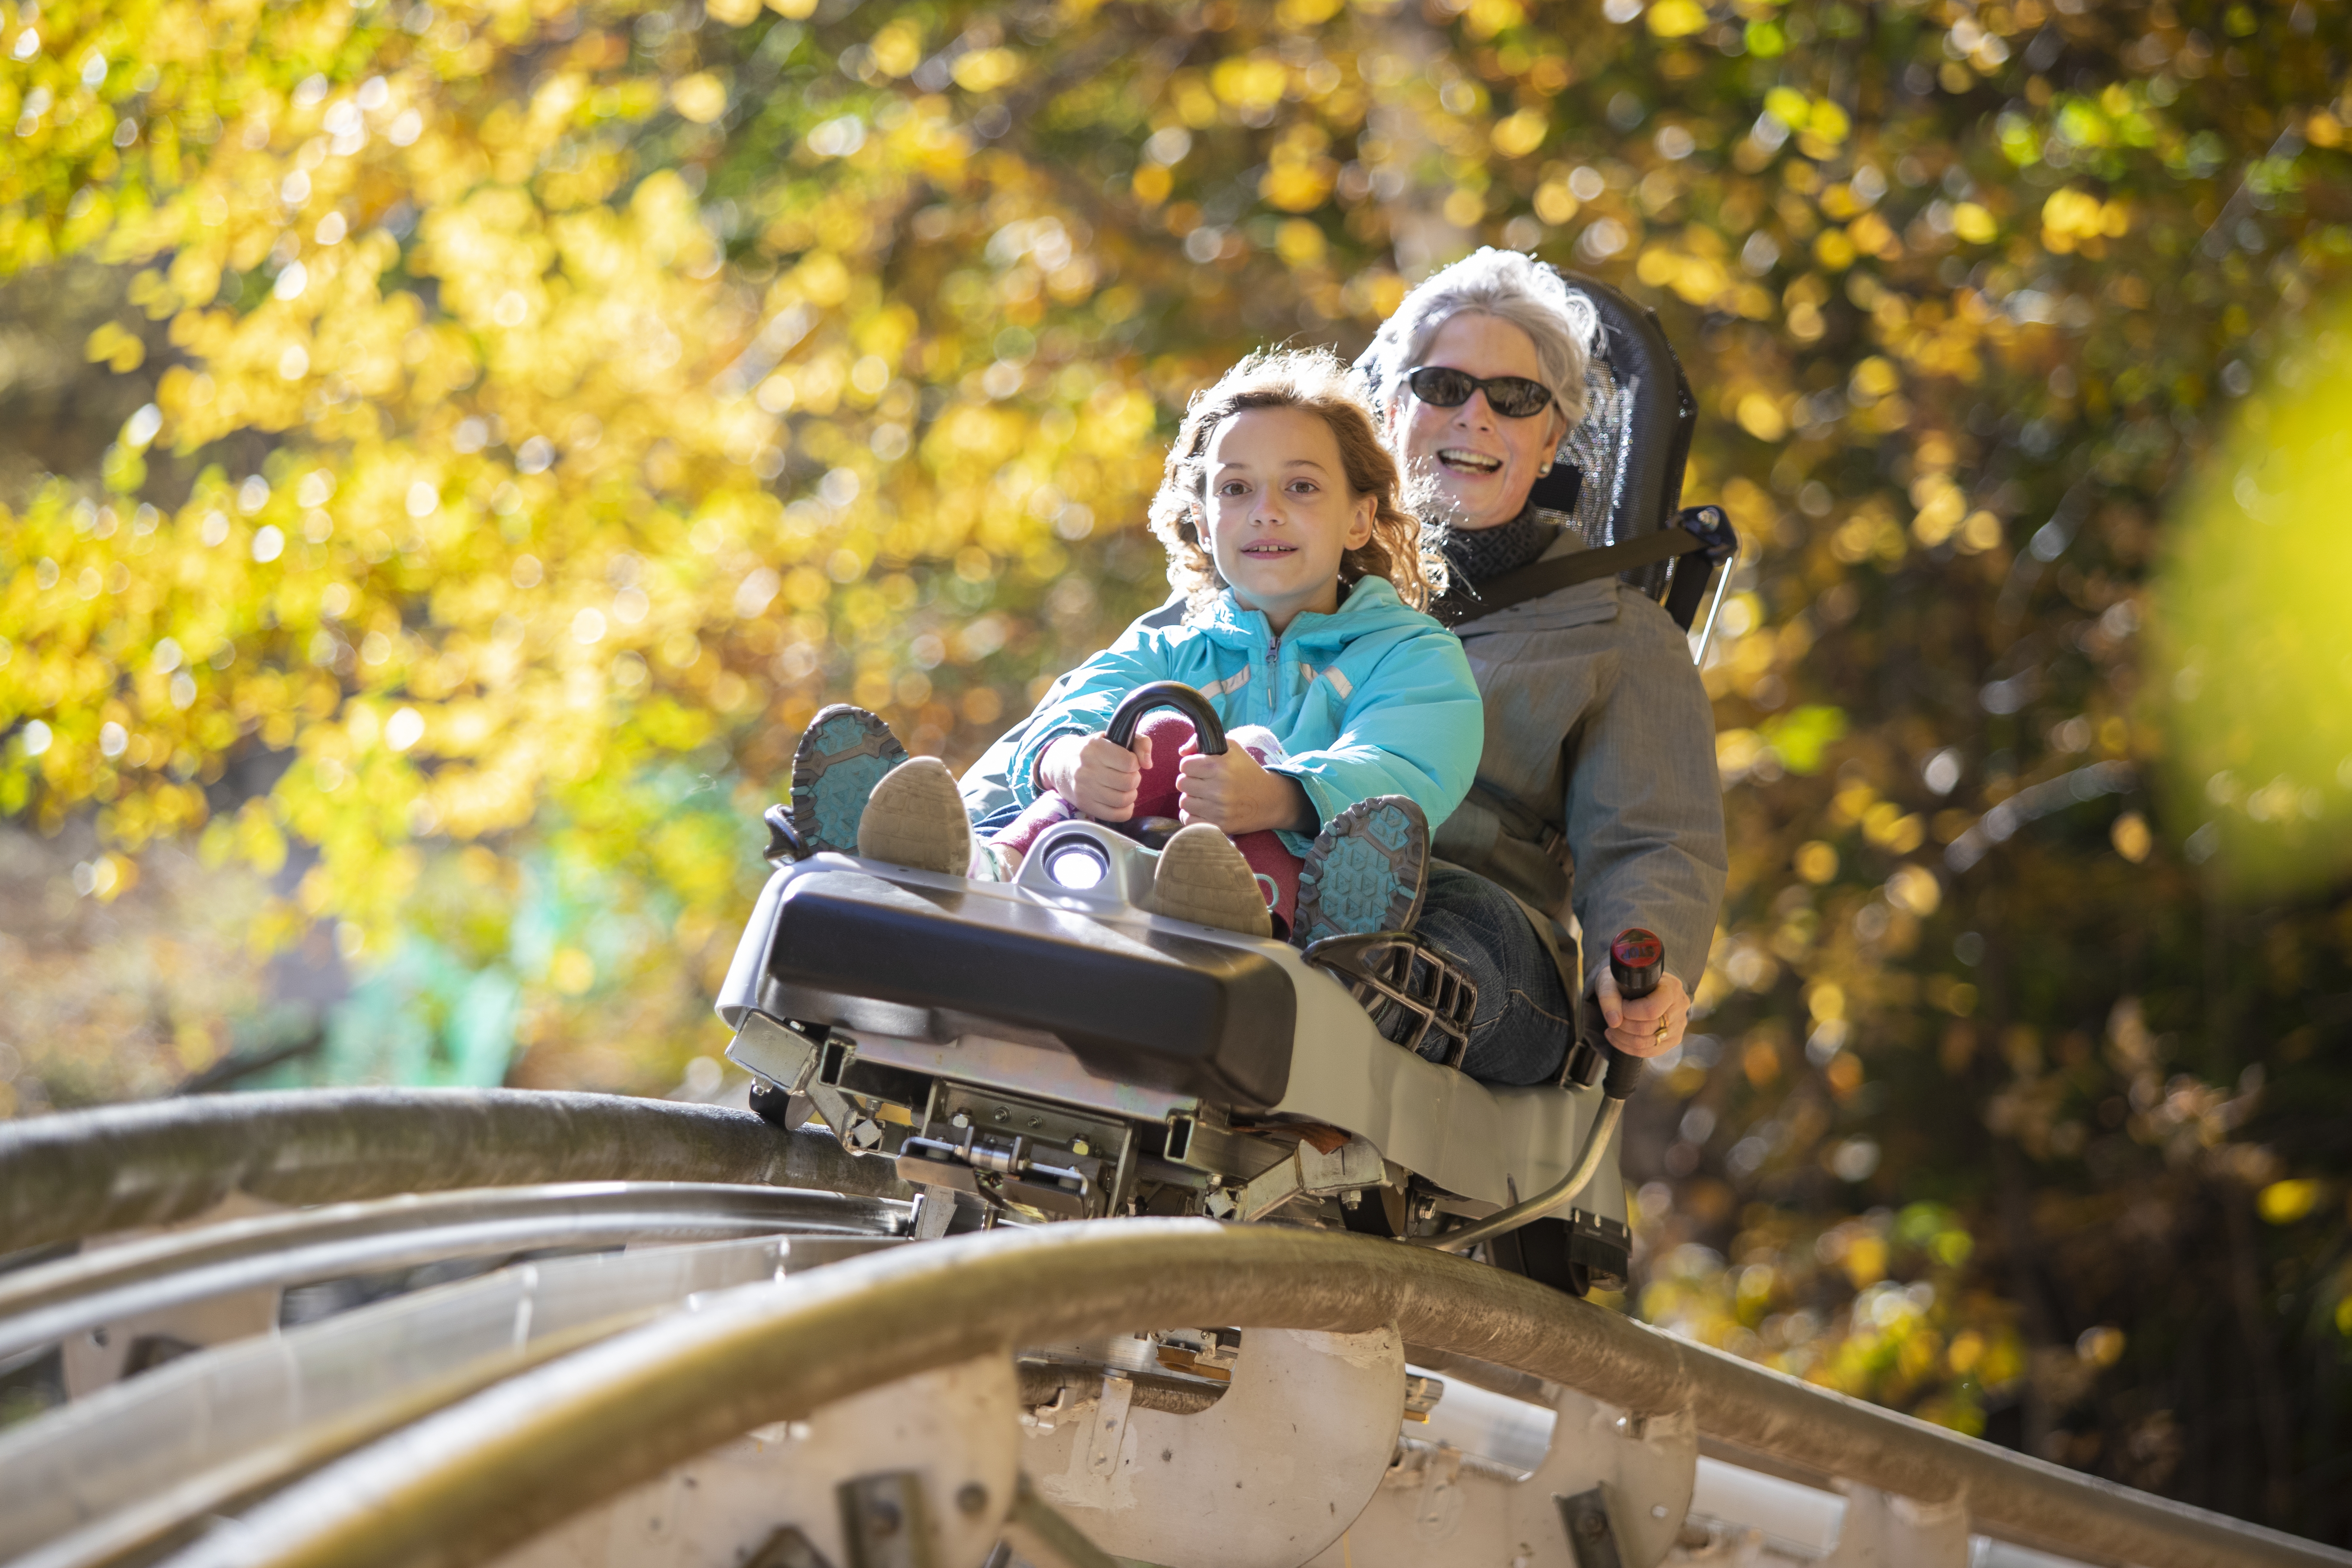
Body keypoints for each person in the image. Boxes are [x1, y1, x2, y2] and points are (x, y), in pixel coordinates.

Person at [968, 250, 1726, 1084]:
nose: (1473, 415)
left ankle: (1355, 975)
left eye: (1513, 400)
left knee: (1459, 931)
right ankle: (957, 872)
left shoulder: (1614, 632)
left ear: (1550, 439)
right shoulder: (1246, 597)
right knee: (1096, 803)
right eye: (1442, 387)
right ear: (1394, 409)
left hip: (1452, 900)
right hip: (1206, 876)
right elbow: (1061, 728)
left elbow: (1653, 837)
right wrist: (1019, 792)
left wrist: (1644, 962)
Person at [790, 347, 1486, 949]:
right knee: (1150, 729)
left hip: (1285, 885)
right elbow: (1089, 699)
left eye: (1301, 487)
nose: (1265, 511)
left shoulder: (1409, 654)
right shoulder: (1171, 644)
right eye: (1235, 489)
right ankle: (957, 862)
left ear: (1361, 516)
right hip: (1115, 872)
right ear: (1205, 525)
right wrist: (1070, 759)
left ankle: (1232, 901)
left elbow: (1405, 760)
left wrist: (1277, 794)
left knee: (1236, 748)